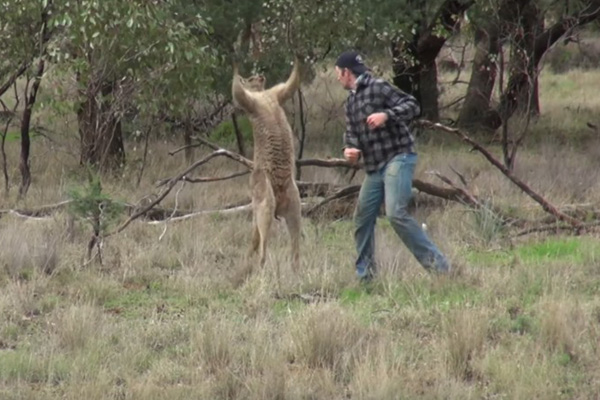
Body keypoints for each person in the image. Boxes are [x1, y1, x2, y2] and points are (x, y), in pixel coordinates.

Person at [334, 50, 450, 281]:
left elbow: (412, 106)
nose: (337, 78)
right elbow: (351, 136)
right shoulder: (350, 103)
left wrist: (386, 115)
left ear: (347, 73)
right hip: (374, 167)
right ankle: (366, 276)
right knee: (362, 217)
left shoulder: (378, 87)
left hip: (399, 157)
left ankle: (440, 268)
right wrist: (349, 150)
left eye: (338, 73)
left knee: (396, 213)